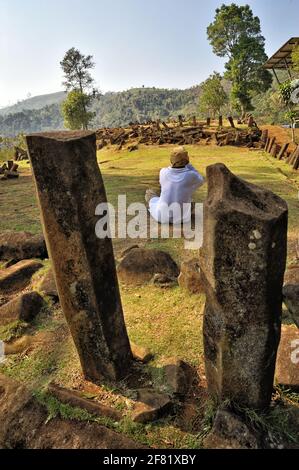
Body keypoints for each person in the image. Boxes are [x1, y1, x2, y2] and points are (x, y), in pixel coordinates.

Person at [145, 147, 205, 224]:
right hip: (181, 219)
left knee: (149, 193)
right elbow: (201, 181)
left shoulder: (163, 172)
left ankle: (151, 207)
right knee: (191, 203)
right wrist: (189, 165)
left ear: (171, 160)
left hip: (162, 217)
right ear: (187, 160)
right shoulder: (191, 175)